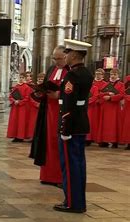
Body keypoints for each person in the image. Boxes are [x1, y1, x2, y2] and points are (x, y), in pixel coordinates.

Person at [53, 39, 93, 213]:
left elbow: (68, 104)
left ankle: (72, 203)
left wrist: (64, 128)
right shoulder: (86, 73)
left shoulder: (72, 75)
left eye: (67, 53)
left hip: (71, 125)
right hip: (81, 122)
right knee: (79, 164)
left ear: (75, 55)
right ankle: (78, 201)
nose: (66, 56)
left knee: (70, 166)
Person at [30, 45, 68, 187]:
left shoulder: (70, 71)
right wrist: (40, 92)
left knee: (58, 143)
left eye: (59, 58)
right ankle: (47, 176)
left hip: (62, 111)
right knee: (47, 142)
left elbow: (75, 92)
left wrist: (59, 95)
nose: (56, 61)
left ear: (66, 56)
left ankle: (59, 178)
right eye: (54, 58)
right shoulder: (51, 69)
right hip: (48, 111)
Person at [98, 68, 124, 148]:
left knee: (114, 125)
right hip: (106, 107)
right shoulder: (105, 84)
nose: (112, 76)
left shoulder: (121, 84)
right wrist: (106, 94)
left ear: (118, 75)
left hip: (114, 107)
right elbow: (99, 94)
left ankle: (114, 141)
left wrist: (111, 98)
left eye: (114, 74)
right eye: (111, 74)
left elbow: (121, 95)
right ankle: (104, 141)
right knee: (105, 124)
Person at [7, 73, 33, 142]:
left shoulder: (27, 87)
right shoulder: (16, 86)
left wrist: (19, 102)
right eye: (20, 77)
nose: (21, 79)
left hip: (22, 108)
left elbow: (27, 98)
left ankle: (20, 136)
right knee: (15, 121)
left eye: (23, 77)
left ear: (25, 79)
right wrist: (14, 100)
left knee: (21, 122)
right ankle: (15, 136)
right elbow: (10, 96)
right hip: (15, 107)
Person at [86, 68, 107, 145]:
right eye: (96, 73)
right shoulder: (92, 83)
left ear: (103, 75)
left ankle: (98, 138)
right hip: (91, 106)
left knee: (99, 123)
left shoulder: (105, 84)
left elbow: (105, 94)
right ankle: (89, 138)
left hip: (101, 106)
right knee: (91, 122)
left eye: (99, 74)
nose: (98, 75)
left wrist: (99, 100)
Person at [119, 75, 130, 149]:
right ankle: (128, 143)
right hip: (128, 107)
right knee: (128, 125)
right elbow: (124, 92)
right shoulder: (128, 79)